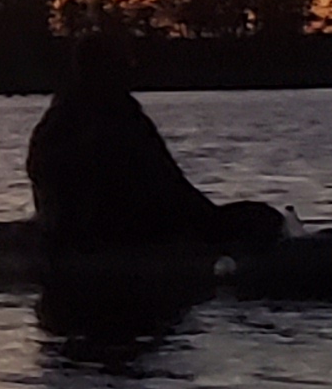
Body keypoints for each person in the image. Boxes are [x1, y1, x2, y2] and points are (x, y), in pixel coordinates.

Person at [27, 35, 285, 249]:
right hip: (97, 229)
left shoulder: (124, 115)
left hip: (126, 221)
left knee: (263, 217)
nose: (129, 71)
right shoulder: (73, 120)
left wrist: (210, 217)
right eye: (121, 64)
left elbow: (169, 179)